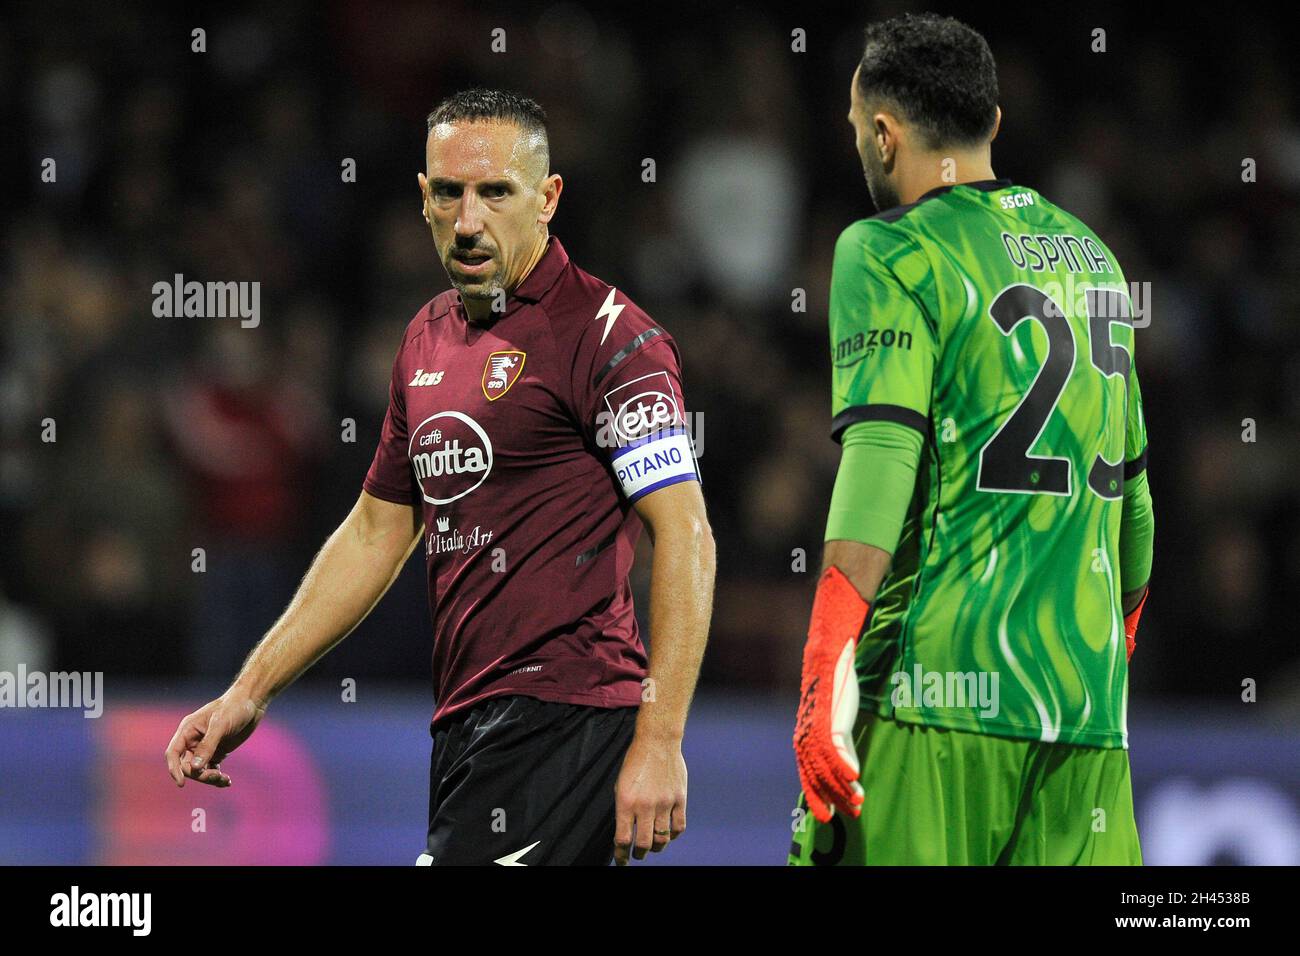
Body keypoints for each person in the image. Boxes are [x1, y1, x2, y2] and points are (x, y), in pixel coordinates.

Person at [165, 89, 715, 867]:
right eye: (450, 193)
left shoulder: (609, 339)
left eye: (496, 192)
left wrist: (661, 741)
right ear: (422, 198)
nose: (468, 220)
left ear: (548, 197)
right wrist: (249, 691)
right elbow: (376, 529)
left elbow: (685, 532)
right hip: (465, 724)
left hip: (565, 718)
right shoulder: (425, 340)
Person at [790, 14, 1153, 865]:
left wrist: (821, 670)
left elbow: (880, 468)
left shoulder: (888, 252)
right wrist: (1108, 656)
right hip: (1084, 719)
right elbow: (1134, 506)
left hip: (931, 699)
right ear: (992, 123)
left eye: (855, 130)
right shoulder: (1096, 259)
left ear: (883, 135)